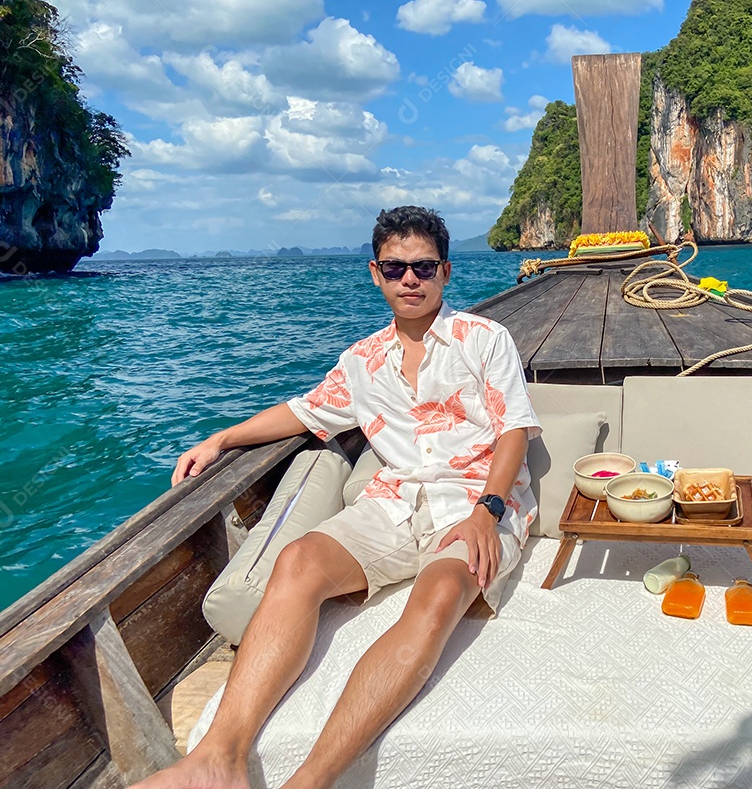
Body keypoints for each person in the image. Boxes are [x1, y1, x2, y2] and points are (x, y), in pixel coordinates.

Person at [134, 206, 540, 789]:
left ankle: (310, 780)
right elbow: (299, 412)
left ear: (446, 272)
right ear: (376, 273)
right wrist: (220, 437)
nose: (410, 279)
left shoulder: (485, 340)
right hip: (395, 500)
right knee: (296, 561)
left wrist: (489, 511)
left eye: (424, 267)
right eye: (396, 267)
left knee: (440, 592)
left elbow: (514, 432)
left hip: (478, 502)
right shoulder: (361, 362)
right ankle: (217, 759)